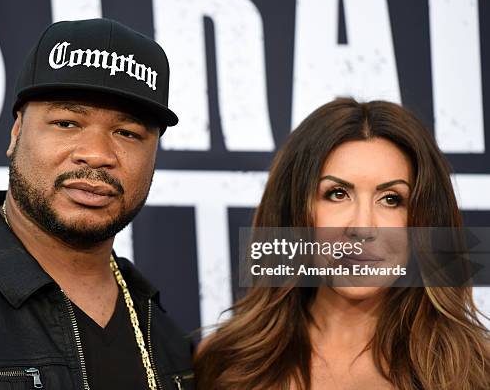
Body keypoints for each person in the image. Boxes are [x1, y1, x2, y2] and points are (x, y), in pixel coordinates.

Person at [0, 18, 194, 390]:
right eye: (67, 123)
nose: (95, 154)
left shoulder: (165, 335)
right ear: (16, 132)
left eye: (127, 133)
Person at [194, 98, 490, 390]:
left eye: (391, 199)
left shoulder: (475, 369)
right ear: (296, 213)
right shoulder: (226, 360)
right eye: (337, 194)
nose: (362, 227)